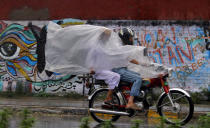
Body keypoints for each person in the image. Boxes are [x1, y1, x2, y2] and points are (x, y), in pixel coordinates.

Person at [112, 28, 143, 110]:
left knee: (139, 75)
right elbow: (129, 59)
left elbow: (129, 58)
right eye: (130, 37)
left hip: (122, 69)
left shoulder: (123, 47)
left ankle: (132, 96)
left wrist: (142, 63)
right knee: (138, 79)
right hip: (118, 70)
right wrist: (141, 63)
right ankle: (130, 102)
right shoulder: (120, 48)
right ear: (126, 38)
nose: (132, 39)